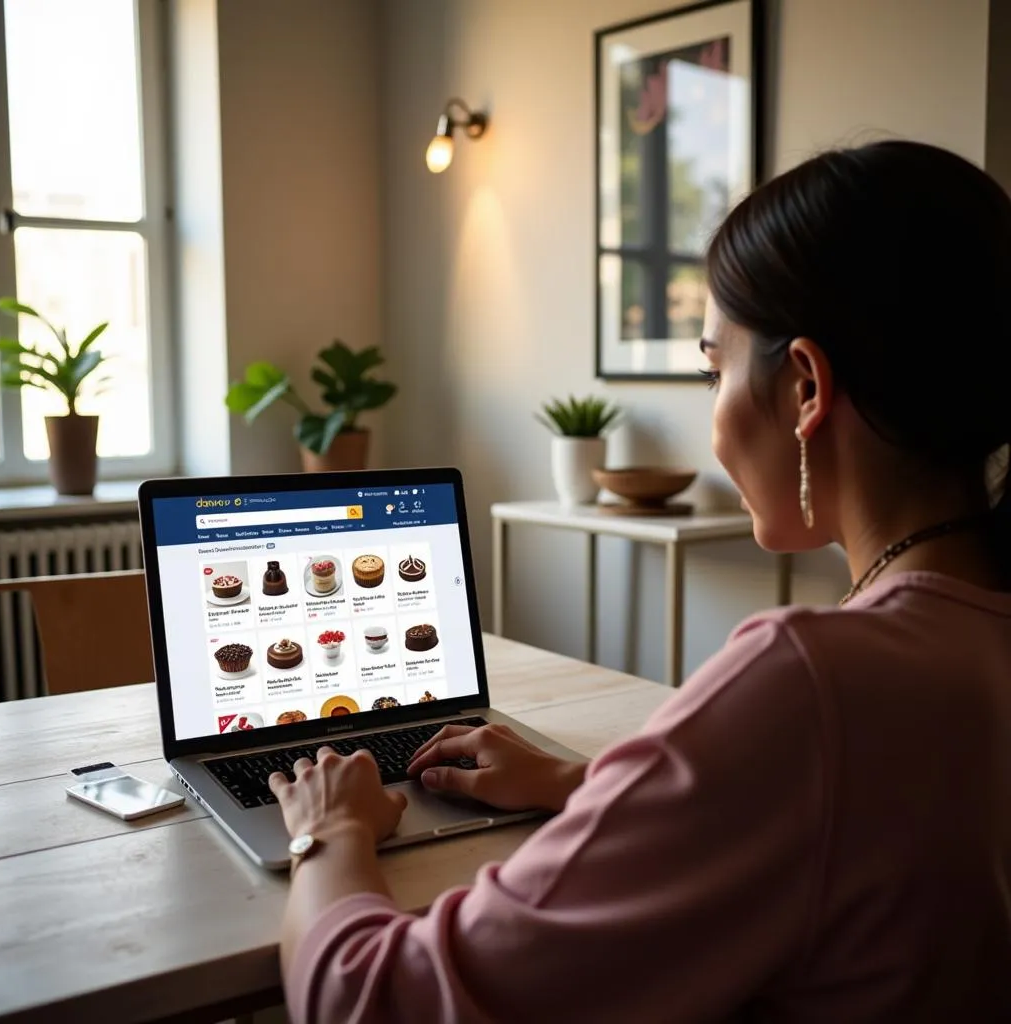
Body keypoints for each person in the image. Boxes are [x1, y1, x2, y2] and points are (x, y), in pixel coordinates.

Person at [269, 140, 1011, 1022]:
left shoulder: (814, 681)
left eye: (712, 371)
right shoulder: (966, 638)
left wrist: (331, 829)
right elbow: (847, 824)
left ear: (806, 385)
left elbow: (377, 1000)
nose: (714, 421)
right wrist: (583, 786)